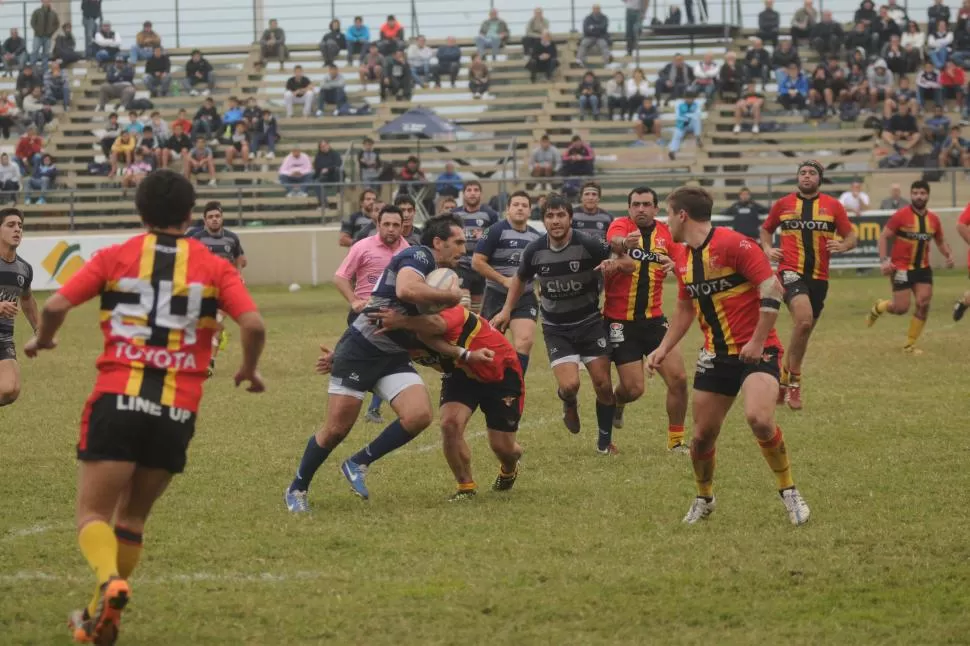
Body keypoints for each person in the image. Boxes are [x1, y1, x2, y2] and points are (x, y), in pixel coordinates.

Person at [22, 170, 266, 645]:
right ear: (191, 216)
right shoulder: (216, 265)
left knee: (92, 514)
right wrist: (249, 369)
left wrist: (43, 340)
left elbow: (53, 307)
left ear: (140, 212)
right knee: (131, 519)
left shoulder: (115, 255)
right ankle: (98, 616)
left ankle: (109, 584)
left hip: (117, 398)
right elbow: (253, 323)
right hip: (177, 409)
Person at [646, 185, 810, 527]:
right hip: (715, 356)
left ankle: (789, 491)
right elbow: (684, 309)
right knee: (702, 437)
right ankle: (704, 497)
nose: (664, 220)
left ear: (682, 215)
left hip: (758, 351)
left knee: (760, 420)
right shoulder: (681, 255)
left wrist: (756, 341)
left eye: (667, 212)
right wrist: (662, 349)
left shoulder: (735, 244)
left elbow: (772, 289)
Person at [283, 214, 468, 510]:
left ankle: (357, 463)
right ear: (438, 242)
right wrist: (451, 296)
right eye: (458, 242)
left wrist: (424, 318)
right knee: (335, 430)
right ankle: (297, 488)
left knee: (419, 415)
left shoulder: (434, 270)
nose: (464, 248)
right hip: (361, 350)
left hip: (392, 356)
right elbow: (405, 290)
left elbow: (425, 322)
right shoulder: (419, 255)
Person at [491, 194, 629, 454]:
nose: (555, 221)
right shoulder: (534, 250)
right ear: (543, 220)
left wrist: (615, 264)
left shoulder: (588, 244)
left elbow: (628, 263)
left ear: (570, 218)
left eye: (560, 215)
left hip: (590, 323)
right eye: (550, 216)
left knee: (603, 384)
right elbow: (520, 280)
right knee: (569, 386)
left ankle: (604, 443)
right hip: (557, 328)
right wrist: (507, 310)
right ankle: (569, 402)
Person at [363, 303, 524, 501]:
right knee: (450, 424)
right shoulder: (398, 336)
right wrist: (339, 358)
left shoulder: (450, 313)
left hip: (500, 373)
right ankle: (466, 487)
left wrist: (403, 321)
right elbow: (370, 351)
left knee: (503, 448)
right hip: (460, 374)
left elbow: (437, 325)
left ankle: (509, 469)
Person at [761, 161, 856, 409]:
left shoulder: (833, 206)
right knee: (803, 320)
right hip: (790, 272)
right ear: (797, 177)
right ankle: (794, 384)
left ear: (819, 179)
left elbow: (851, 236)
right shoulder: (783, 204)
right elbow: (766, 229)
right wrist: (768, 248)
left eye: (812, 173)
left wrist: (843, 245)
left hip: (819, 278)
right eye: (802, 172)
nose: (806, 176)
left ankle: (785, 374)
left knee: (803, 331)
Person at [604, 187, 689, 452]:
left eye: (647, 204)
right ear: (629, 208)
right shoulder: (620, 226)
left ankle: (676, 442)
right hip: (620, 323)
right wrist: (623, 245)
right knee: (634, 390)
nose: (641, 209)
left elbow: (684, 262)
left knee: (679, 379)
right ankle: (619, 401)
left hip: (654, 322)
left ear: (656, 209)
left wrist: (676, 266)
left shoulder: (666, 234)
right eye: (636, 204)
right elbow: (615, 241)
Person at [334, 207, 409, 424]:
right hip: (363, 316)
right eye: (386, 224)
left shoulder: (408, 252)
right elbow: (340, 278)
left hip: (393, 318)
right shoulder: (362, 247)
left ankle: (377, 407)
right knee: (360, 366)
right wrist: (354, 301)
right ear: (378, 225)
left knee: (389, 362)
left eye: (396, 225)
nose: (391, 229)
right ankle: (347, 405)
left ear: (403, 226)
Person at [866, 181, 954, 353]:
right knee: (901, 308)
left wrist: (948, 255)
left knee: (923, 302)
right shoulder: (901, 215)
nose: (918, 196)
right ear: (911, 195)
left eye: (922, 193)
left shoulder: (933, 220)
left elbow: (940, 241)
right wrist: (884, 260)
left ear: (927, 195)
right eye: (915, 193)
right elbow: (884, 237)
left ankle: (910, 344)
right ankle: (880, 307)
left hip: (923, 269)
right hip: (901, 268)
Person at [472, 191, 542, 375]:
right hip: (496, 295)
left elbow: (543, 266)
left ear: (529, 211)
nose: (520, 208)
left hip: (525, 296)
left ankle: (514, 387)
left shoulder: (537, 238)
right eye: (516, 204)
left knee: (524, 341)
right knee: (489, 345)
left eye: (524, 205)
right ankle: (490, 383)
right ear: (507, 210)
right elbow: (477, 261)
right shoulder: (495, 231)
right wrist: (504, 280)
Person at [187, 201, 247, 376]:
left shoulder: (232, 238)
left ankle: (209, 363)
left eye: (217, 216)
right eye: (210, 217)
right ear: (204, 220)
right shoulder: (194, 238)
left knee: (214, 323)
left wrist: (239, 273)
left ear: (222, 218)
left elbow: (239, 258)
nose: (214, 220)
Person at [0, 208, 39, 407]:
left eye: (20, 226)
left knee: (11, 390)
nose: (17, 230)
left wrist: (39, 330)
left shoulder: (24, 269)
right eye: (10, 225)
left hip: (3, 337)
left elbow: (27, 299)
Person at [452, 180, 500, 313]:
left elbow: (497, 239)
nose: (472, 193)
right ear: (463, 194)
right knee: (464, 303)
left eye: (476, 190)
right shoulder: (454, 214)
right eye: (469, 190)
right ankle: (459, 332)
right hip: (461, 264)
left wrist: (485, 235)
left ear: (481, 194)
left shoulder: (490, 214)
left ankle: (470, 333)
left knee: (476, 311)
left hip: (481, 265)